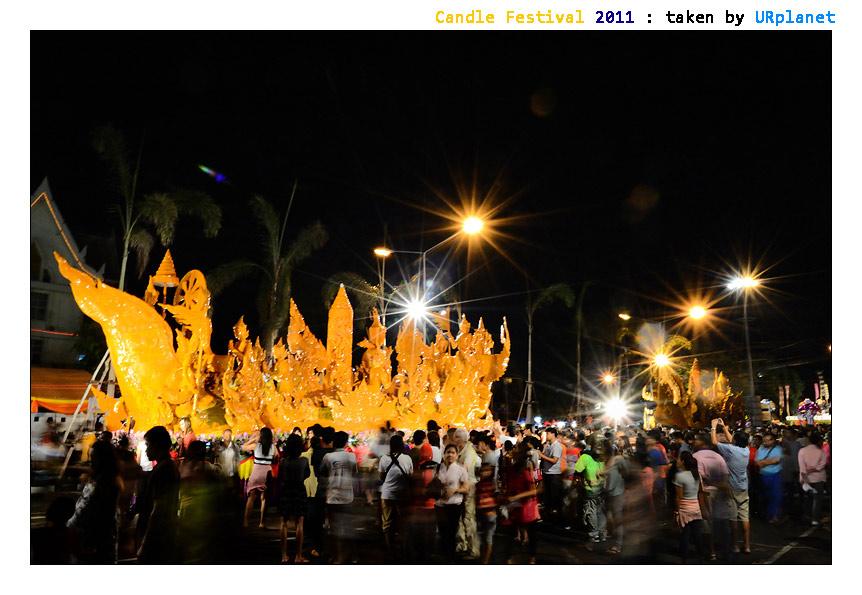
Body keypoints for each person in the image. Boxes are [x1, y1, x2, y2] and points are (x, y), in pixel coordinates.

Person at [66, 440, 121, 563]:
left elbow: (86, 510)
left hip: (94, 543)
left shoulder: (104, 484)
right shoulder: (106, 480)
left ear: (103, 460)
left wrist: (70, 526)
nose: (91, 461)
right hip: (98, 542)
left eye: (94, 458)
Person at [136, 426, 180, 563]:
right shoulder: (166, 467)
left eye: (148, 445)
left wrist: (146, 542)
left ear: (158, 446)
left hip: (158, 534)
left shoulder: (164, 470)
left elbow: (158, 509)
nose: (147, 450)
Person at [711, 420, 751, 554]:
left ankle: (735, 545)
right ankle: (747, 546)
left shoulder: (731, 450)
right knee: (744, 518)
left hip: (732, 488)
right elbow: (733, 439)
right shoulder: (746, 450)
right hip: (743, 488)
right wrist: (724, 428)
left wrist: (713, 427)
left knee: (733, 518)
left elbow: (714, 442)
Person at [177, 440, 220, 562]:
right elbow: (219, 471)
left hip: (185, 507)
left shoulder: (183, 466)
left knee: (187, 539)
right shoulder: (206, 466)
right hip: (201, 508)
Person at [320, 430, 357, 563]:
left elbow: (322, 473)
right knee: (348, 527)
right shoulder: (351, 457)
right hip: (348, 496)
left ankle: (336, 556)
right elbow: (354, 473)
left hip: (332, 496)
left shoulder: (328, 457)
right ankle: (350, 556)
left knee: (333, 528)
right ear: (346, 442)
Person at [378, 433, 414, 558]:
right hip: (403, 494)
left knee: (387, 522)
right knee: (403, 521)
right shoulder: (407, 459)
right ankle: (404, 548)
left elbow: (381, 477)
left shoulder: (384, 458)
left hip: (387, 494)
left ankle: (389, 549)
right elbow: (410, 476)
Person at [277, 433, 311, 562]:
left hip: (285, 491)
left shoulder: (283, 462)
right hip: (299, 491)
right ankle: (298, 555)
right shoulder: (304, 461)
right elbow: (306, 475)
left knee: (284, 523)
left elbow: (280, 477)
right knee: (299, 523)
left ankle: (284, 555)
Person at [435, 443, 470, 561]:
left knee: (451, 533)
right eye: (448, 452)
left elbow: (466, 488)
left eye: (453, 452)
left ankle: (450, 557)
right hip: (440, 505)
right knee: (442, 532)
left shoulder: (461, 469)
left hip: (454, 506)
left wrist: (455, 490)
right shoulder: (438, 468)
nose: (450, 454)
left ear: (457, 455)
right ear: (444, 454)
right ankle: (444, 556)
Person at [453, 427, 481, 560]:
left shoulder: (469, 452)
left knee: (468, 518)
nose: (454, 439)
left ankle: (473, 548)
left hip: (468, 487)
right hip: (460, 487)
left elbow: (464, 469)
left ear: (464, 438)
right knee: (460, 517)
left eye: (457, 437)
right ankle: (462, 544)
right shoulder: (460, 450)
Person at [673, 451, 705, 563]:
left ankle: (684, 559)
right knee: (697, 535)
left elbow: (679, 497)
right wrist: (703, 509)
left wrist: (677, 512)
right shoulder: (697, 474)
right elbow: (700, 492)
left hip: (685, 509)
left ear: (682, 461)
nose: (676, 461)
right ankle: (701, 556)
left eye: (678, 459)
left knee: (685, 535)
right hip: (695, 508)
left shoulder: (679, 476)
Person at [242, 427, 277, 528]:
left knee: (251, 498)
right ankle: (261, 522)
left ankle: (246, 521)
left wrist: (253, 438)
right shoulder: (273, 447)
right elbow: (276, 457)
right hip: (267, 474)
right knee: (264, 499)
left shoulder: (256, 446)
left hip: (256, 473)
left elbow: (243, 447)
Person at [574, 438, 606, 548]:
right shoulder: (603, 458)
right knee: (600, 511)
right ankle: (602, 533)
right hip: (602, 488)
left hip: (590, 489)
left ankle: (594, 535)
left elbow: (577, 471)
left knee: (591, 511)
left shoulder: (585, 457)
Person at [798, 430, 828, 525]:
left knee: (807, 498)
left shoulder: (802, 451)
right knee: (817, 499)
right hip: (818, 478)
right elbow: (822, 465)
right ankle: (815, 519)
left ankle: (806, 516)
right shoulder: (821, 452)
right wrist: (813, 469)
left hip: (806, 478)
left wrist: (804, 478)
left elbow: (802, 467)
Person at [755, 431, 783, 523]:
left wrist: (763, 462)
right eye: (764, 441)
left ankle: (774, 516)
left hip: (775, 476)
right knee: (765, 496)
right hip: (763, 476)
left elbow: (777, 460)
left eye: (768, 441)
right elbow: (757, 462)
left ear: (773, 440)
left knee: (775, 496)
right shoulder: (761, 448)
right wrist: (768, 461)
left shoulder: (778, 449)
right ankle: (767, 515)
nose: (765, 443)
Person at [538, 426, 564, 517]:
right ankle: (548, 514)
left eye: (548, 434)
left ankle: (556, 515)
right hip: (547, 473)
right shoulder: (548, 445)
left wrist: (541, 455)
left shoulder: (557, 446)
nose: (547, 435)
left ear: (553, 434)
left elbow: (554, 460)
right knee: (548, 495)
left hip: (554, 474)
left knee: (554, 496)